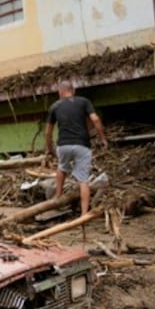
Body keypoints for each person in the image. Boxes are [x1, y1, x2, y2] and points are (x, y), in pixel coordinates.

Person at [45, 80, 109, 216]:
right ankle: (84, 213)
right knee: (83, 179)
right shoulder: (84, 102)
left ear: (60, 93)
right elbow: (96, 119)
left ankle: (58, 196)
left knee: (62, 168)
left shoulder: (55, 106)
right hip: (82, 145)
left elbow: (48, 132)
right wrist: (103, 138)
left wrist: (49, 149)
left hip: (63, 145)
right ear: (73, 91)